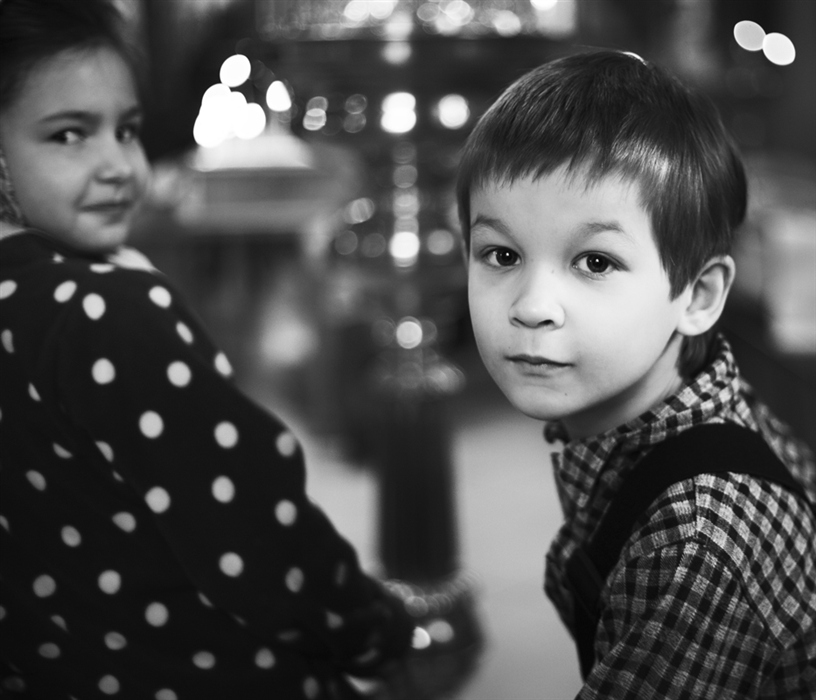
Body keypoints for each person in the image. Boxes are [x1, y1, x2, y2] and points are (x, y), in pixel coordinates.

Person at [0, 0, 416, 697]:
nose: (119, 165)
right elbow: (254, 529)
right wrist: (373, 633)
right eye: (69, 134)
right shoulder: (108, 309)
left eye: (127, 130)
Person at [456, 50, 816, 698]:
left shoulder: (700, 536)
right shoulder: (677, 404)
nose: (532, 307)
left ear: (699, 295)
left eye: (595, 262)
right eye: (501, 255)